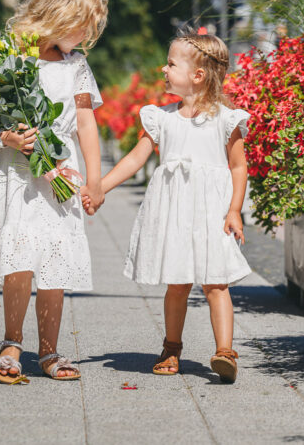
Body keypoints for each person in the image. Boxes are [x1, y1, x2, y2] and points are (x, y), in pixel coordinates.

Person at [84, 31, 251, 383]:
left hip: (212, 215)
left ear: (198, 75)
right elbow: (135, 159)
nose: (163, 69)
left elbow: (239, 166)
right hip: (175, 214)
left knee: (216, 284)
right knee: (177, 283)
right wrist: (100, 188)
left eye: (171, 63)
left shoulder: (226, 120)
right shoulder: (161, 118)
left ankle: (225, 352)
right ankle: (171, 347)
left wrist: (235, 210)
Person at [0, 0, 108, 384]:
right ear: (59, 15)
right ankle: (11, 343)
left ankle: (49, 349)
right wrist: (6, 137)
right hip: (16, 171)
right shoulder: (8, 54)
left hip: (61, 171)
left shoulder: (76, 65)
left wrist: (95, 179)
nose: (86, 38)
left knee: (55, 256)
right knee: (18, 256)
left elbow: (85, 123)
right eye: (82, 28)